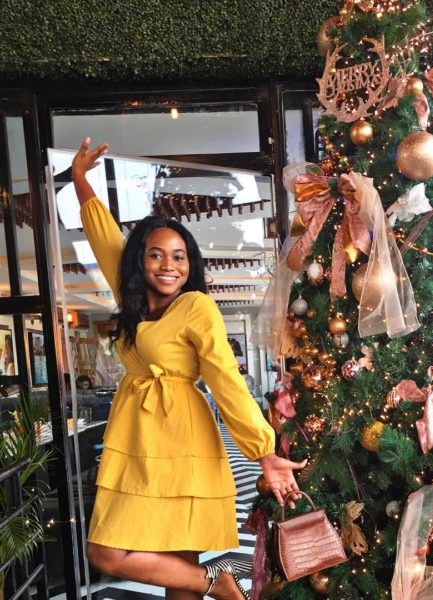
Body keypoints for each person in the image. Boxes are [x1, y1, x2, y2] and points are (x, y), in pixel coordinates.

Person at [71, 138, 305, 600]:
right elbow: (103, 238)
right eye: (156, 254)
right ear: (140, 261)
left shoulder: (197, 307)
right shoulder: (132, 301)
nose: (169, 265)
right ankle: (217, 583)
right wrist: (79, 179)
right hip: (137, 439)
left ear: (190, 263)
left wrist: (263, 451)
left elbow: (226, 380)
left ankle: (211, 582)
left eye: (179, 256)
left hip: (183, 436)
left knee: (179, 562)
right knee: (107, 551)